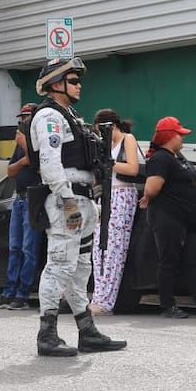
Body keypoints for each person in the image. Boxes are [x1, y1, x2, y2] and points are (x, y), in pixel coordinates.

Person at [25, 58, 126, 356]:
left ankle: (87, 330)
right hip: (66, 199)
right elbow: (50, 162)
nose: (79, 85)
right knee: (59, 265)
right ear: (57, 83)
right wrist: (67, 200)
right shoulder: (49, 116)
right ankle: (47, 334)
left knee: (82, 267)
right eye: (73, 80)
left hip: (82, 199)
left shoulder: (71, 116)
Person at [141, 116, 196, 321]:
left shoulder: (177, 157)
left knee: (192, 261)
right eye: (179, 134)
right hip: (168, 219)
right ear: (169, 136)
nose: (182, 138)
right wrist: (148, 197)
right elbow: (152, 188)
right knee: (168, 261)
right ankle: (167, 305)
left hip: (186, 222)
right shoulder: (160, 159)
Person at [0, 103, 43, 311]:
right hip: (19, 198)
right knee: (14, 247)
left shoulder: (37, 139)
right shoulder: (19, 144)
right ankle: (8, 293)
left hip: (34, 197)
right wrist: (22, 162)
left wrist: (26, 147)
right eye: (21, 118)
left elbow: (38, 160)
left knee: (29, 248)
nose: (22, 122)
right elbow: (10, 171)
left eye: (26, 117)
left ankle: (22, 294)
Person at [89, 109, 143, 316]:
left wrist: (108, 164)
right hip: (105, 195)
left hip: (122, 194)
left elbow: (132, 168)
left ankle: (106, 301)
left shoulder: (127, 139)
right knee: (99, 249)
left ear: (110, 127)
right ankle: (97, 296)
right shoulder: (105, 146)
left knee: (114, 249)